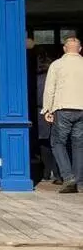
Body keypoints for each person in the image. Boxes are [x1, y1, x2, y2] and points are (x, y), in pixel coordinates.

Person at [42, 36, 83, 193]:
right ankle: (79, 181)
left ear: (65, 49)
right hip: (81, 108)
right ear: (79, 49)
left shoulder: (57, 65)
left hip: (63, 108)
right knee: (79, 145)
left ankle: (68, 177)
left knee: (57, 143)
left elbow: (50, 88)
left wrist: (47, 109)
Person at [36, 54, 61, 183]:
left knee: (45, 143)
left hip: (41, 111)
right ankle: (57, 173)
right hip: (58, 110)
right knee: (58, 142)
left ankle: (47, 171)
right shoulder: (55, 78)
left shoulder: (37, 79)